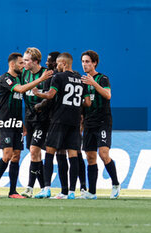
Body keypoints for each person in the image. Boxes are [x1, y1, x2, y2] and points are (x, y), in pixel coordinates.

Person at [0, 52, 53, 198]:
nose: (23, 66)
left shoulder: (17, 78)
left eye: (25, 62)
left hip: (17, 122)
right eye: (21, 63)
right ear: (12, 64)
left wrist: (22, 123)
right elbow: (20, 90)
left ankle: (12, 191)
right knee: (7, 155)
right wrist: (41, 79)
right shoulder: (7, 78)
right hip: (5, 122)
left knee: (16, 156)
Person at [33, 52, 91, 199]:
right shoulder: (80, 79)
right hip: (74, 121)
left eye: (58, 63)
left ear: (64, 63)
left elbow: (51, 95)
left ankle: (46, 188)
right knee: (73, 155)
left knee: (50, 153)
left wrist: (38, 93)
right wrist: (76, 105)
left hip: (59, 120)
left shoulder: (58, 77)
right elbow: (88, 103)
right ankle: (71, 192)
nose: (56, 66)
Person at [80, 50, 120, 199]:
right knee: (90, 157)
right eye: (83, 62)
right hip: (89, 122)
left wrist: (94, 83)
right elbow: (86, 103)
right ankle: (92, 192)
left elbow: (108, 95)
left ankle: (115, 184)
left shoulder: (102, 78)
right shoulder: (83, 82)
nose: (85, 64)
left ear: (94, 63)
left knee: (103, 154)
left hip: (103, 121)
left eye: (87, 62)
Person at [18, 48, 50, 198]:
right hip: (29, 118)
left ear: (36, 61)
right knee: (34, 155)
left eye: (26, 60)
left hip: (42, 119)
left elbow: (51, 96)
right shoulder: (23, 73)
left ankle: (30, 188)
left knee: (33, 151)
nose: (23, 63)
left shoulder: (47, 74)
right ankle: (44, 188)